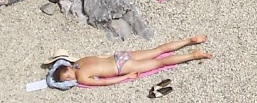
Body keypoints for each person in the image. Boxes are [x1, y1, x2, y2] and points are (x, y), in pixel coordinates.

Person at [45, 37, 211, 88]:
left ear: (68, 75)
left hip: (121, 67)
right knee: (158, 50)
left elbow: (105, 82)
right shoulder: (79, 62)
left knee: (161, 62)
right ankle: (190, 40)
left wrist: (126, 77)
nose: (69, 80)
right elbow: (100, 57)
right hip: (119, 56)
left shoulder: (81, 77)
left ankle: (192, 55)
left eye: (67, 79)